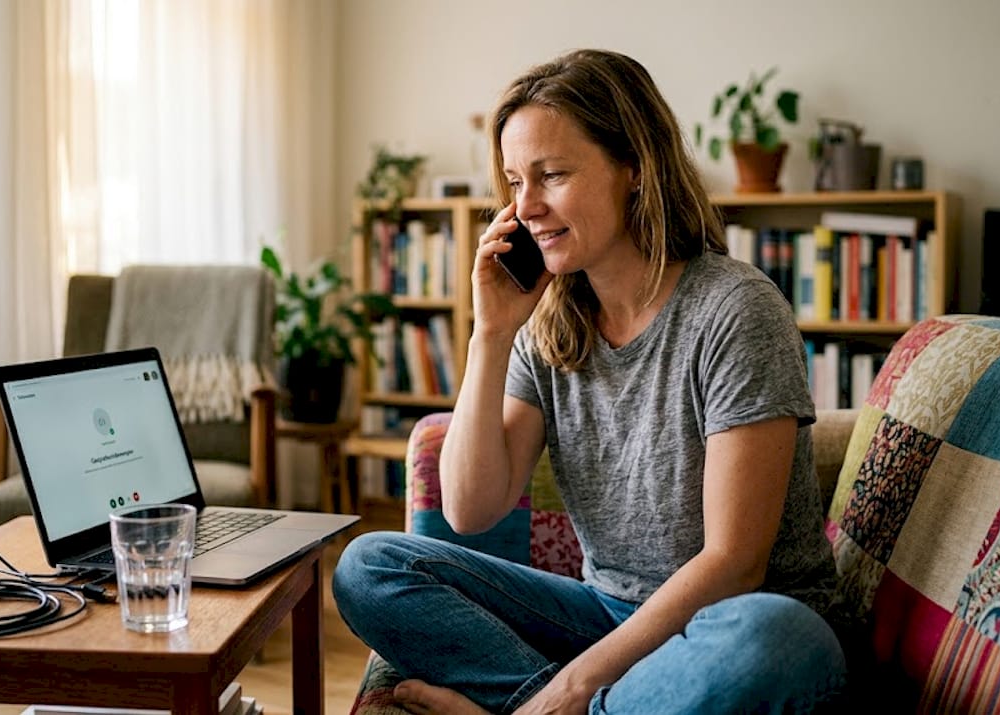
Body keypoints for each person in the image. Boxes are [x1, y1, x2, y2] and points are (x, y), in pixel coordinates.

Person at [333, 49, 847, 714]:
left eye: (552, 175)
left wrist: (573, 686)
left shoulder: (735, 310)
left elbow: (733, 565)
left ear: (634, 167)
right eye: (515, 182)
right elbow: (469, 509)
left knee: (776, 636)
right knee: (370, 566)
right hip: (605, 614)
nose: (527, 208)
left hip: (733, 626)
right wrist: (489, 334)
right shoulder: (548, 325)